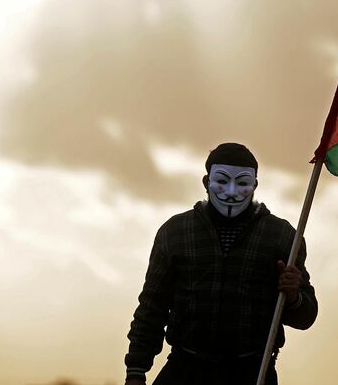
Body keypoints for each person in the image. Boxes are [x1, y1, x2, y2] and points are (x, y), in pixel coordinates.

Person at [124, 142, 318, 385]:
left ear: (255, 185)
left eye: (243, 183)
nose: (231, 191)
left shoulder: (283, 236)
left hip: (252, 374)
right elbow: (152, 307)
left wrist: (293, 297)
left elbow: (306, 316)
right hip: (185, 371)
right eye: (222, 181)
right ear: (206, 182)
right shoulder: (175, 232)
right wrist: (136, 371)